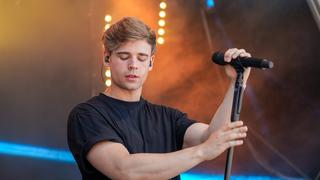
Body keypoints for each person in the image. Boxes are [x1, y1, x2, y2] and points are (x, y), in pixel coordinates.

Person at [67, 16, 251, 180]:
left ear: (151, 62)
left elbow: (211, 137)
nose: (133, 65)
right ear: (107, 58)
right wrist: (202, 152)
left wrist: (237, 83)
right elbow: (123, 170)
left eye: (141, 58)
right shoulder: (87, 115)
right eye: (124, 56)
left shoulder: (168, 117)